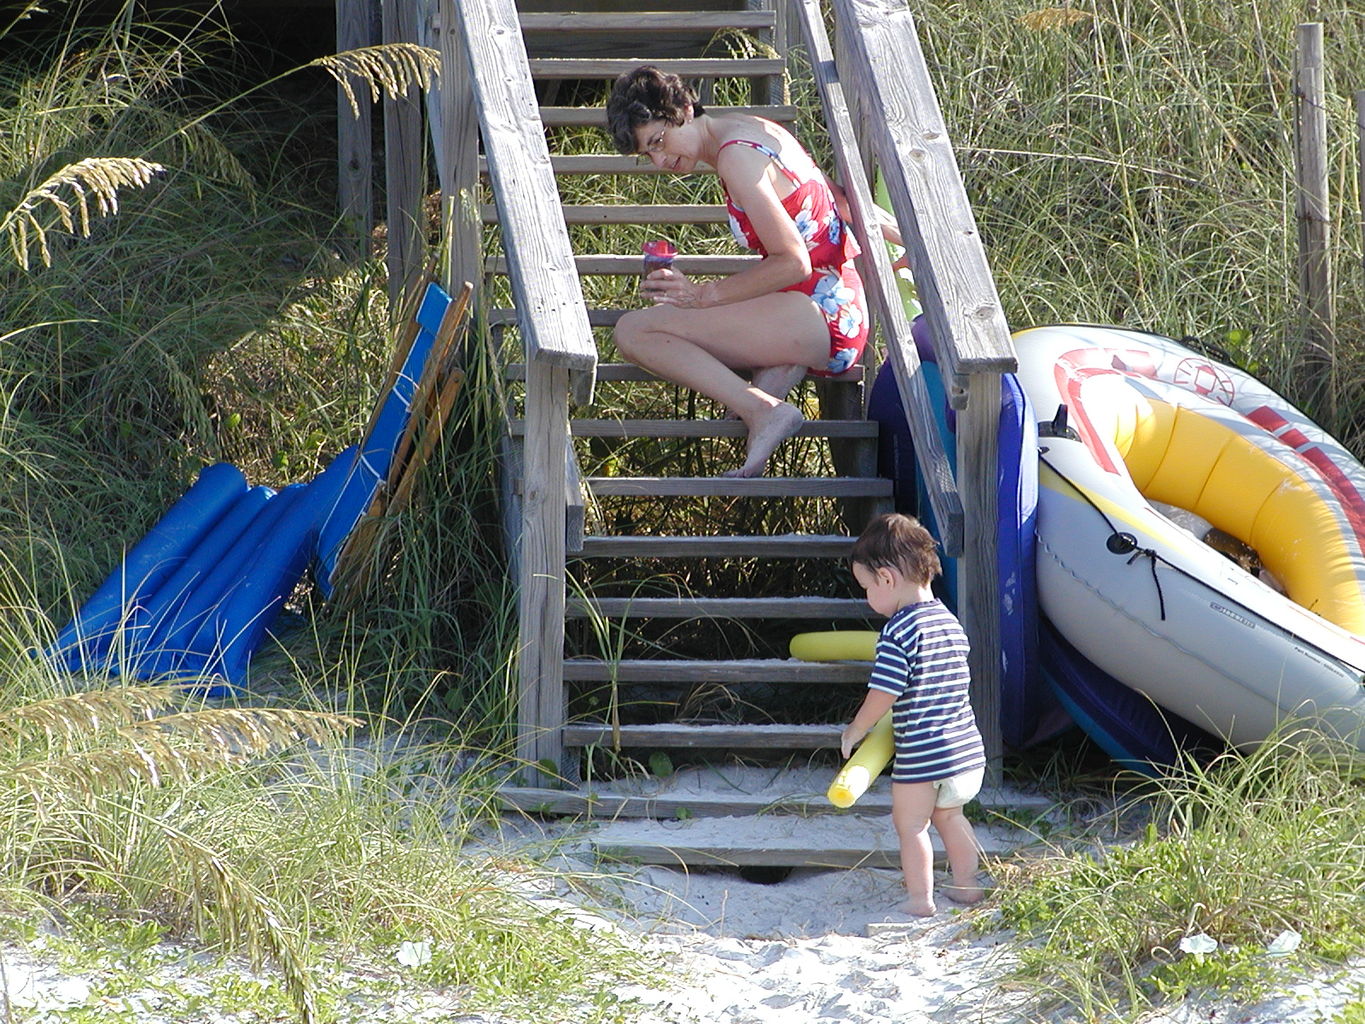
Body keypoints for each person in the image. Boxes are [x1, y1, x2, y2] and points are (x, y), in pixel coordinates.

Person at [605, 65, 871, 478]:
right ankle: (775, 372)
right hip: (823, 300)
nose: (659, 159)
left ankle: (763, 410)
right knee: (666, 325)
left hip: (824, 311)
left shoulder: (735, 156)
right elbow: (824, 201)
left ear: (685, 108)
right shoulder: (749, 129)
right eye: (647, 153)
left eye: (658, 139)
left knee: (634, 331)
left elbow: (793, 261)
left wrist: (701, 296)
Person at [842, 513, 988, 916]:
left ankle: (920, 900)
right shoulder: (949, 621)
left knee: (912, 827)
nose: (869, 597)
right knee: (951, 817)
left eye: (867, 587)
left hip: (922, 756)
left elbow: (884, 691)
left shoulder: (899, 631)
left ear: (886, 579)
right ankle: (967, 886)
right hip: (965, 752)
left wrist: (858, 727)